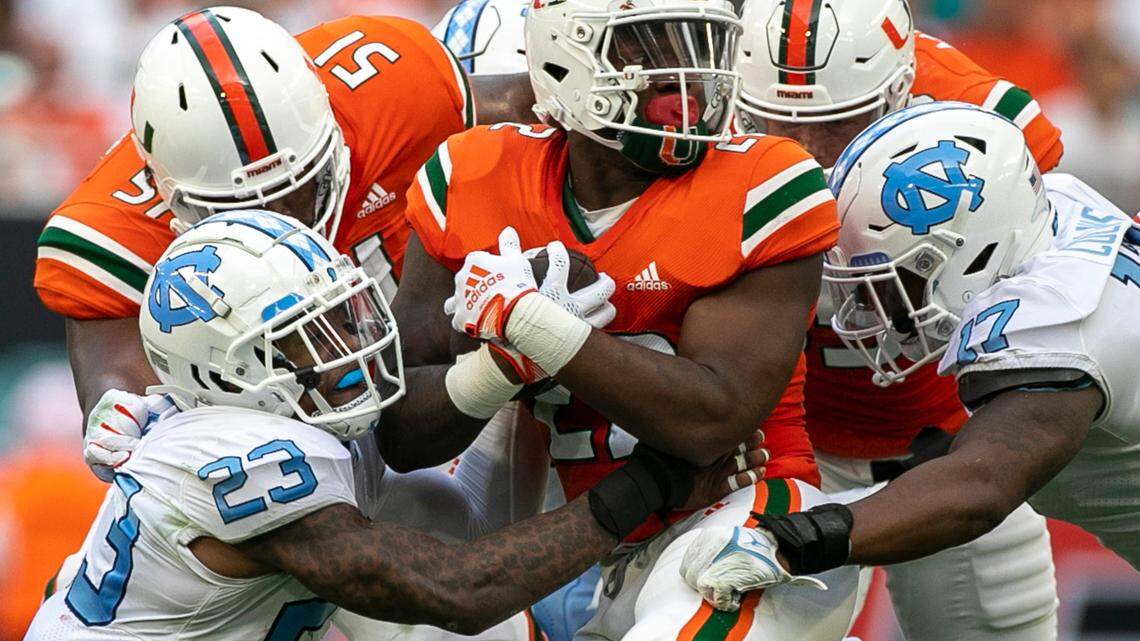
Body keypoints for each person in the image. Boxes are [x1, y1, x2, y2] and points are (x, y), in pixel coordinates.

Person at [26, 210, 749, 641]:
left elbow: (448, 496)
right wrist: (650, 482)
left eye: (342, 312)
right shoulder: (244, 454)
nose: (349, 343)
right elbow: (454, 589)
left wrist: (509, 361)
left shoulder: (272, 414)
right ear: (226, 372)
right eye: (310, 336)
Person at [381, 0, 862, 638]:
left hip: (746, 521)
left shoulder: (761, 179)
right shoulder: (471, 173)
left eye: (699, 44)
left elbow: (711, 422)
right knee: (393, 530)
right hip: (604, 547)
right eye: (652, 46)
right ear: (563, 54)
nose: (685, 74)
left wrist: (534, 327)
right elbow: (402, 434)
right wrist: (498, 367)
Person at [681, 101, 1140, 616]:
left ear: (971, 255)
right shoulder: (1049, 212)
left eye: (894, 280)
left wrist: (791, 540)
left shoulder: (1055, 327)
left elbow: (979, 488)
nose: (868, 310)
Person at [731, 2, 1066, 638]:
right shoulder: (700, 111)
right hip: (779, 449)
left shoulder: (984, 130)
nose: (804, 155)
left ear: (902, 91)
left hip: (951, 443)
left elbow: (1036, 287)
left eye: (836, 127)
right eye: (774, 125)